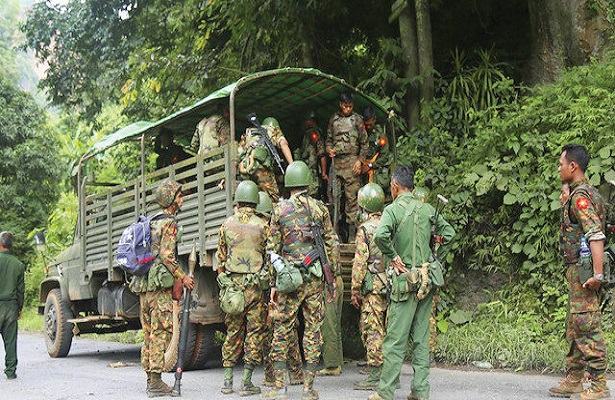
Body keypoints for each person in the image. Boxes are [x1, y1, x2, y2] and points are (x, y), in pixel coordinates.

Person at [368, 166, 455, 400]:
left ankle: (385, 392)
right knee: (421, 339)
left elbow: (380, 236)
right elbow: (449, 234)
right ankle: (420, 391)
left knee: (395, 338)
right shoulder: (427, 208)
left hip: (403, 282)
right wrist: (435, 259)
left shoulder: (392, 210)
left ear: (395, 187)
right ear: (412, 187)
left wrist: (394, 256)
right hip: (426, 281)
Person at [264, 161, 339, 400]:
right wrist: (332, 278)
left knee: (282, 330)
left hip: (289, 281)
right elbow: (331, 245)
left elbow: (272, 250)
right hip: (314, 280)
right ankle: (308, 388)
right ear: (307, 181)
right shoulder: (319, 209)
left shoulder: (279, 210)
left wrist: (273, 284)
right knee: (312, 332)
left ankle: (280, 387)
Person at [549, 144, 609, 400]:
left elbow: (595, 235)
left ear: (573, 166)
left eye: (561, 164)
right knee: (575, 324)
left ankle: (598, 385)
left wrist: (597, 275)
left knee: (587, 324)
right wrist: (566, 192)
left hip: (585, 272)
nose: (558, 168)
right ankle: (574, 379)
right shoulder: (586, 193)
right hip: (578, 271)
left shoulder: (581, 198)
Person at [129, 179, 195, 398]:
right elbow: (167, 256)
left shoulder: (150, 222)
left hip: (145, 287)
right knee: (160, 333)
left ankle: (150, 378)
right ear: (170, 200)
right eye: (179, 196)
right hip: (159, 290)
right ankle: (156, 383)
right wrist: (182, 276)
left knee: (148, 333)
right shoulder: (170, 223)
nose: (181, 200)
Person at [217, 181, 269, 396]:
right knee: (254, 333)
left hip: (233, 290)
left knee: (233, 332)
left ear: (237, 200)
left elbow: (220, 258)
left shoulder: (226, 224)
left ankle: (227, 382)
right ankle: (246, 382)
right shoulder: (263, 226)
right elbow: (270, 257)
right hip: (255, 288)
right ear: (256, 200)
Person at [257, 191, 305, 388]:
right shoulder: (274, 225)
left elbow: (269, 256)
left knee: (270, 330)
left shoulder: (261, 228)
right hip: (283, 278)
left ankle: (271, 376)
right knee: (289, 327)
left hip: (267, 283)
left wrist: (271, 286)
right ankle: (296, 373)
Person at [350, 184, 389, 391]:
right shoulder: (391, 223)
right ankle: (391, 374)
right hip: (391, 285)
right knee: (389, 329)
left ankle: (375, 375)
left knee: (372, 329)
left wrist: (355, 290)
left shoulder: (365, 230)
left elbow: (359, 263)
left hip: (373, 287)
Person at [326, 91, 369, 242]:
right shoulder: (333, 119)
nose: (348, 109)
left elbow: (365, 144)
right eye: (345, 106)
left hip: (352, 164)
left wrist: (360, 161)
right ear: (340, 104)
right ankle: (335, 232)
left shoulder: (357, 120)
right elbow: (329, 140)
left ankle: (352, 235)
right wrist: (329, 149)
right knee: (335, 199)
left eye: (350, 106)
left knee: (352, 200)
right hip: (337, 164)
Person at [238, 116, 293, 202]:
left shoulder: (250, 133)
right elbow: (283, 145)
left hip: (246, 169)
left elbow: (238, 153)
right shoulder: (273, 130)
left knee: (253, 197)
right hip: (260, 168)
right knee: (273, 197)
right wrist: (292, 165)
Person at [0, 231, 24, 381]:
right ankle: (10, 371)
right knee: (10, 340)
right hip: (10, 306)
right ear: (11, 245)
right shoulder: (18, 265)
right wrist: (19, 308)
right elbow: (20, 290)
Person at [293, 114, 327, 198]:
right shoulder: (308, 134)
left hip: (310, 173)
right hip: (308, 173)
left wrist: (323, 173)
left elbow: (322, 153)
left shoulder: (312, 133)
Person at [361, 107, 392, 190]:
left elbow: (384, 157)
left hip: (375, 168)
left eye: (370, 124)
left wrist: (370, 165)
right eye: (366, 124)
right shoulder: (360, 133)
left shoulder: (380, 136)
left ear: (374, 120)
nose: (368, 127)